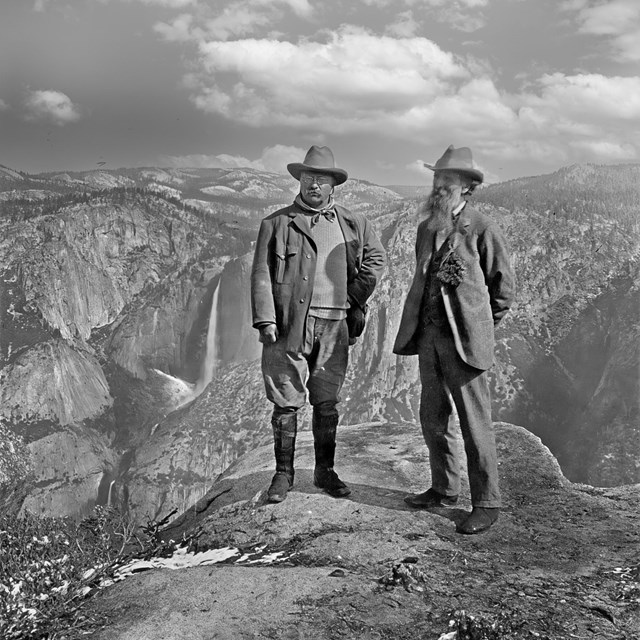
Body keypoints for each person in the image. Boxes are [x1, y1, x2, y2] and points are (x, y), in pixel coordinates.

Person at [251, 145, 386, 503]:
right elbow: (262, 273)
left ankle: (325, 472)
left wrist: (353, 297)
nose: (314, 185)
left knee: (327, 402)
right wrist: (265, 319)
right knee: (285, 401)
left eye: (321, 180)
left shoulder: (353, 223)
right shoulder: (277, 224)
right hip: (289, 326)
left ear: (333, 186)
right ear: (300, 180)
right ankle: (283, 475)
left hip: (336, 326)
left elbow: (375, 260)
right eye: (308, 177)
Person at [393, 145, 515, 534]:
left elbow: (503, 290)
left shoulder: (482, 228)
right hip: (428, 338)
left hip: (464, 343)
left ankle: (487, 503)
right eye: (437, 179)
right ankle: (444, 489)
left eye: (449, 181)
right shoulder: (427, 228)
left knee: (474, 423)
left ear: (468, 187)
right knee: (432, 417)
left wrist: (479, 327)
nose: (440, 186)